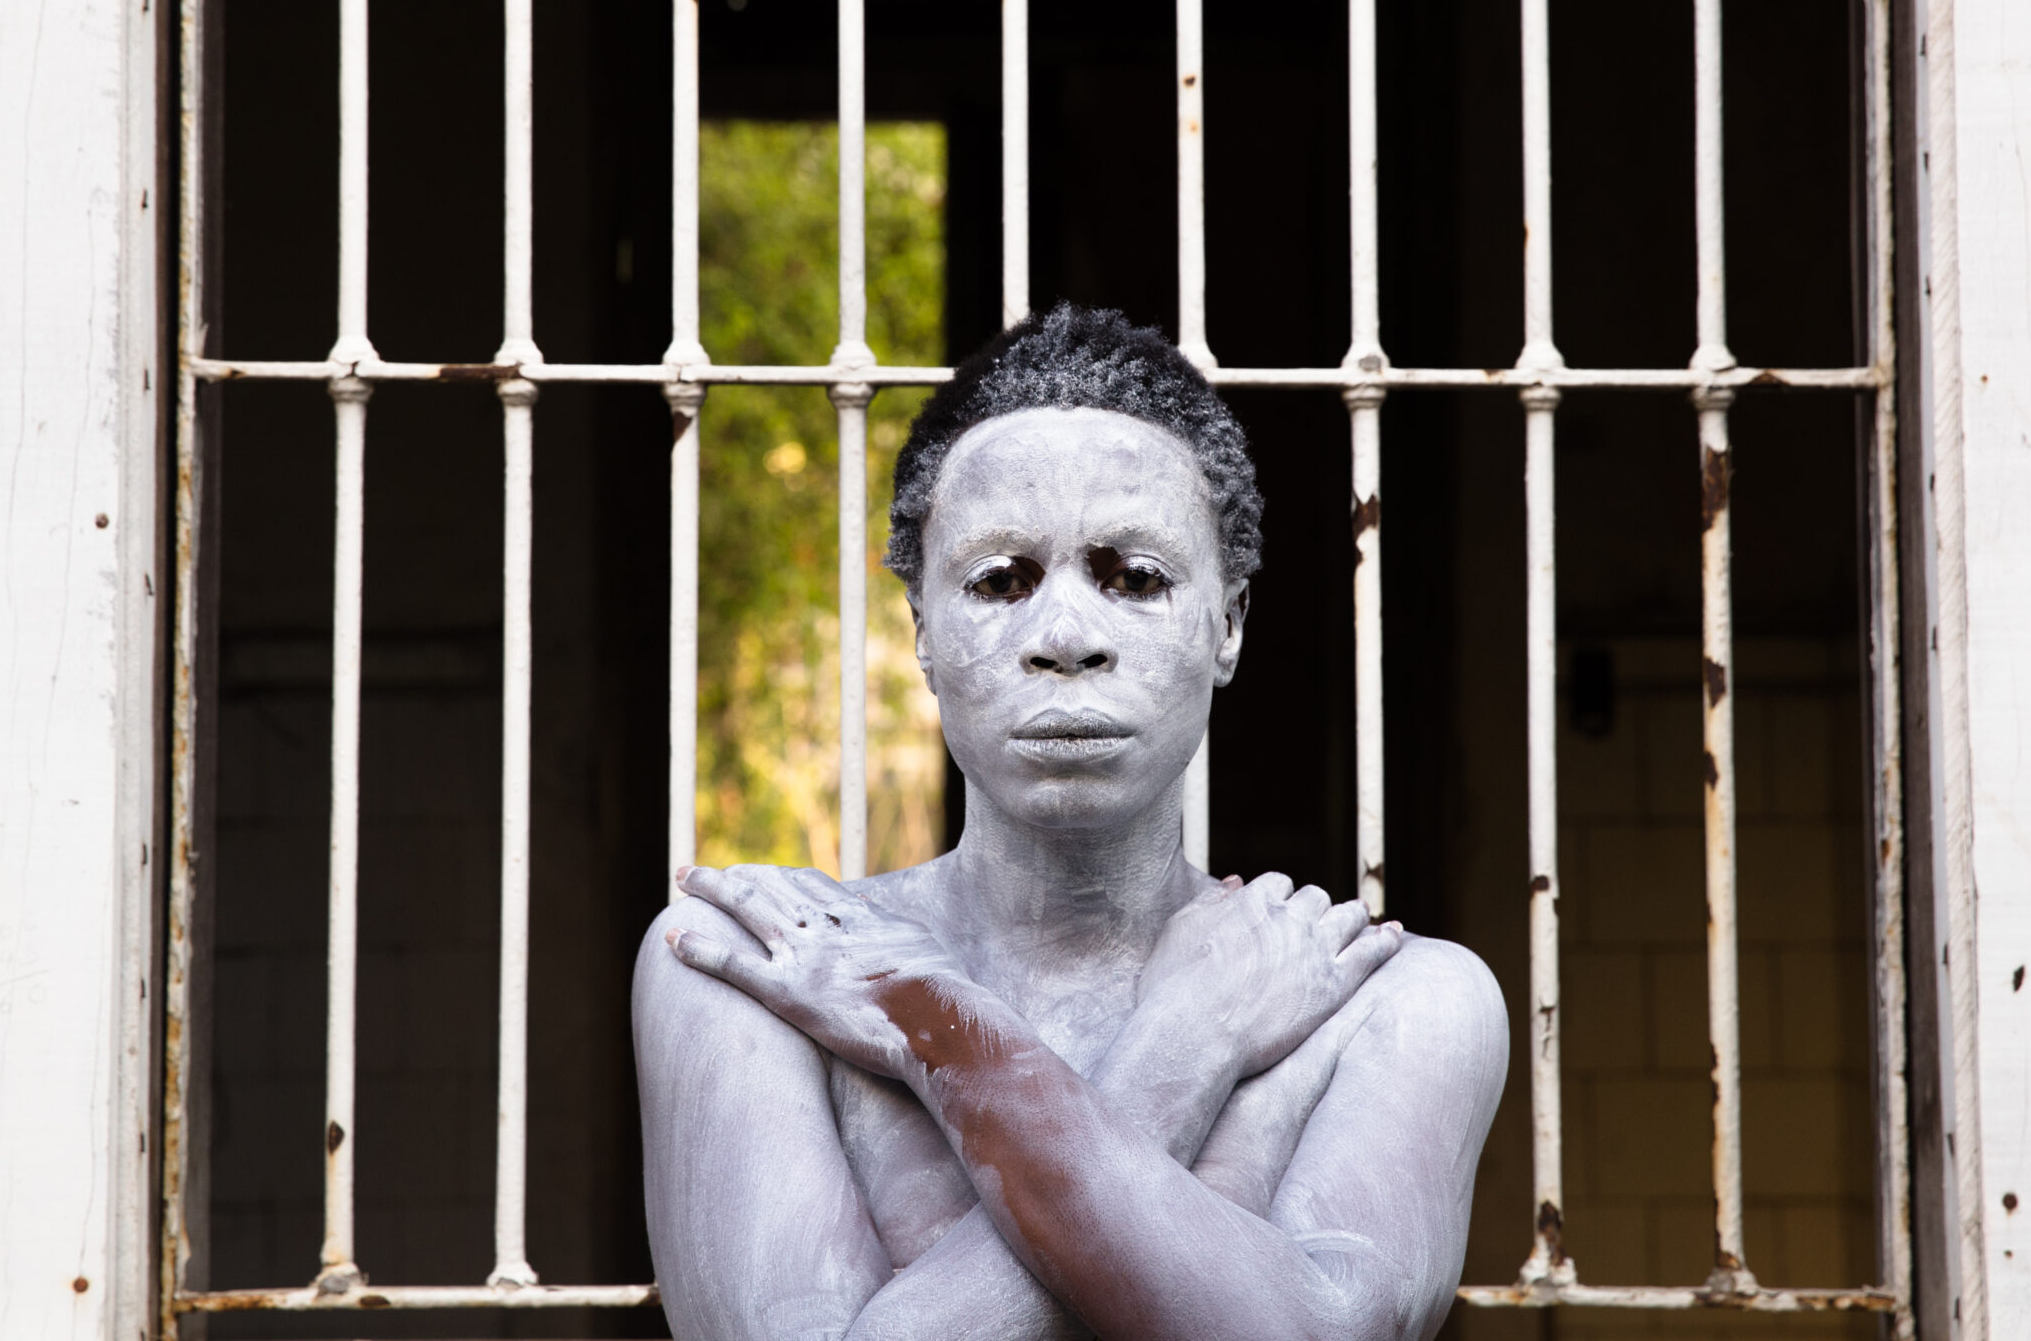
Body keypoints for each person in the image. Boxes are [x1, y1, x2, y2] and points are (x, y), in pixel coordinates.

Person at [635, 305, 1509, 1340]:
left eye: (1134, 577)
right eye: (999, 580)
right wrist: (1169, 1043)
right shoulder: (755, 963)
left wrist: (943, 1040)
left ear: (1229, 624)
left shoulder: (1396, 1002)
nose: (1063, 636)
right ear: (922, 632)